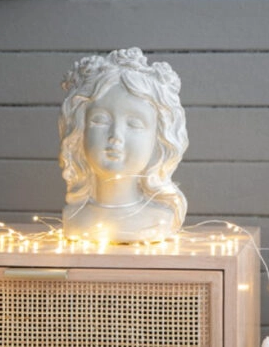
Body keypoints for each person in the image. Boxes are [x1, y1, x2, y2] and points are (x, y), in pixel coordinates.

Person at [59, 47, 188, 243]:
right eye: (100, 120)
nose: (115, 136)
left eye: (134, 124)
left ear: (159, 139)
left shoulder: (159, 220)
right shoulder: (74, 217)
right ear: (79, 131)